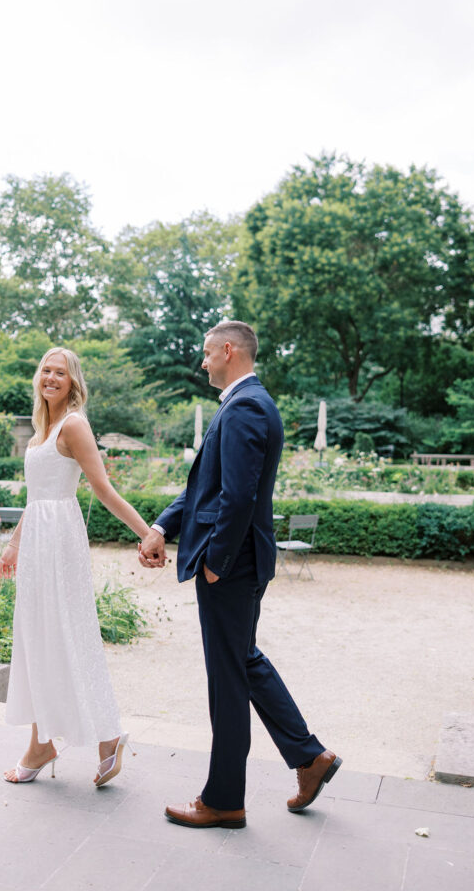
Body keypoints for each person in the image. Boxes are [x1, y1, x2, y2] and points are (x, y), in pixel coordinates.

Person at [139, 320, 341, 829]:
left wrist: (215, 563)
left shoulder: (246, 405)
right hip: (234, 565)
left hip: (231, 567)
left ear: (228, 351)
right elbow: (207, 489)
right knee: (243, 662)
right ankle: (308, 757)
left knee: (227, 681)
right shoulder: (241, 402)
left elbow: (238, 497)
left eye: (207, 353)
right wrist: (163, 525)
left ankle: (225, 800)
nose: (202, 361)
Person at [0, 347, 151, 787]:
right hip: (35, 545)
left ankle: (107, 737)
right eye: (45, 370)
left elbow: (103, 488)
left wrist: (147, 533)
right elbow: (36, 497)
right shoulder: (39, 433)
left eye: (59, 372)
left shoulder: (74, 425)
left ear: (72, 382)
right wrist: (13, 544)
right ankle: (42, 741)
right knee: (36, 640)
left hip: (61, 542)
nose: (50, 377)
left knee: (70, 633)